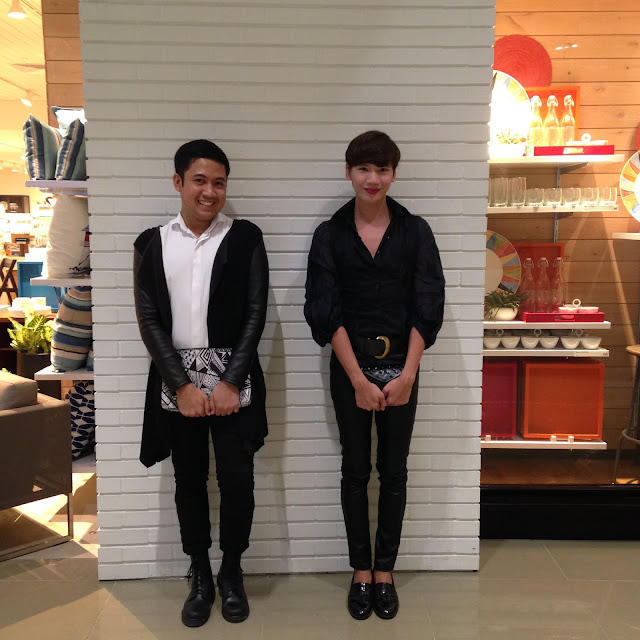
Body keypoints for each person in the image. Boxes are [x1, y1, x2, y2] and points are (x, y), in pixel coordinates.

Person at [304, 131, 445, 620]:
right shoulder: (330, 235)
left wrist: (407, 374)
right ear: (349, 172)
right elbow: (324, 310)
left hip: (404, 368)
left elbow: (429, 304)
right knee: (355, 471)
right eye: (364, 168)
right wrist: (359, 380)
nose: (372, 178)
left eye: (382, 169)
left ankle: (385, 571)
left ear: (393, 174)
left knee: (394, 472)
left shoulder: (415, 231)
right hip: (351, 370)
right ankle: (360, 571)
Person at [133, 139, 269, 627]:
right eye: (199, 180)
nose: (209, 191)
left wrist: (231, 381)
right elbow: (148, 318)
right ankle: (200, 575)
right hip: (177, 379)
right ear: (178, 182)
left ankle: (231, 571)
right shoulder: (151, 242)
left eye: (218, 182)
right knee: (188, 479)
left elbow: (256, 312)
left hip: (235, 377)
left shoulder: (245, 237)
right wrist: (181, 385)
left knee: (237, 479)